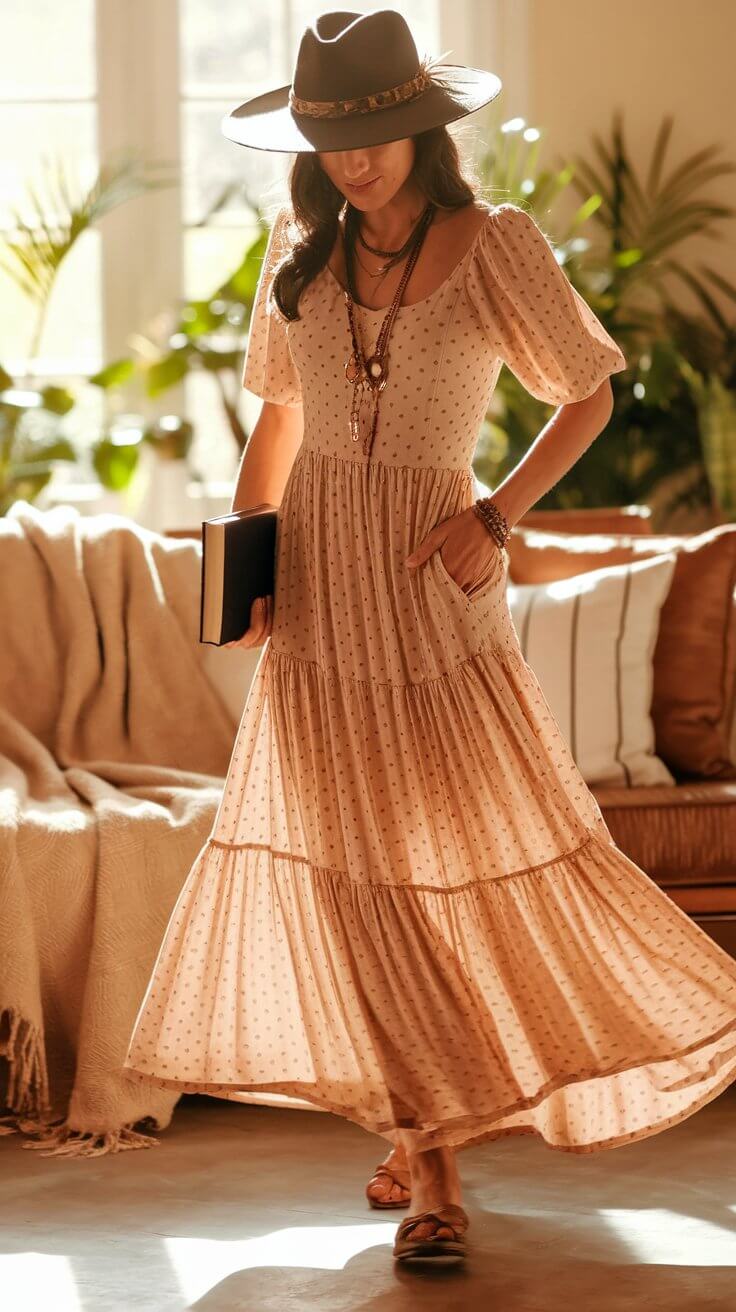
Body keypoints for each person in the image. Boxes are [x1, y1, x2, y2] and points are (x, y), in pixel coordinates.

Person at [123, 9, 736, 1269]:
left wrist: (496, 516)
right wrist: (248, 568)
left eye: (375, 134)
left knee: (457, 860)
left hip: (428, 588)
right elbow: (278, 424)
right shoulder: (299, 251)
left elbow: (589, 392)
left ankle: (440, 1115)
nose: (354, 162)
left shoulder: (494, 242)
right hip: (316, 591)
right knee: (353, 876)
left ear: (422, 124)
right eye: (330, 140)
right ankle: (432, 1161)